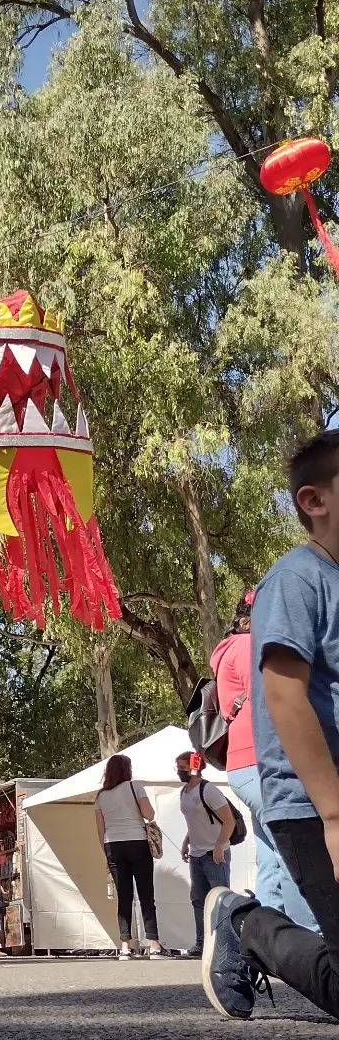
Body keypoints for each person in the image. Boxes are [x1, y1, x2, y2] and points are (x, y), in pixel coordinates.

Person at [202, 431, 339, 1020]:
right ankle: (245, 921)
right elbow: (283, 693)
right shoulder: (297, 579)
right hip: (312, 807)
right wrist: (333, 812)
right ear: (315, 501)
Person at [212, 591, 317, 931]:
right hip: (261, 762)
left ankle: (267, 940)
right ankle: (309, 936)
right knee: (295, 848)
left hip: (243, 766)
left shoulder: (230, 649)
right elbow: (272, 699)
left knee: (272, 853)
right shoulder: (246, 648)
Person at [93, 755, 163, 959]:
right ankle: (154, 943)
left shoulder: (100, 796)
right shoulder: (135, 787)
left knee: (124, 897)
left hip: (112, 846)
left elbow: (100, 829)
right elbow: (149, 814)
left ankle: (125, 945)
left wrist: (105, 854)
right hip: (137, 842)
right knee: (146, 894)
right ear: (127, 769)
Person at [176, 751, 236, 956]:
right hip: (197, 853)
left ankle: (226, 942)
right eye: (177, 768)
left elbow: (229, 820)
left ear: (194, 767)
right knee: (198, 899)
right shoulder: (184, 792)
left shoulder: (208, 790)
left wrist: (220, 845)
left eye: (182, 767)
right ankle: (201, 943)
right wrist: (186, 842)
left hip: (214, 852)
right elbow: (193, 822)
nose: (179, 772)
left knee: (220, 898)